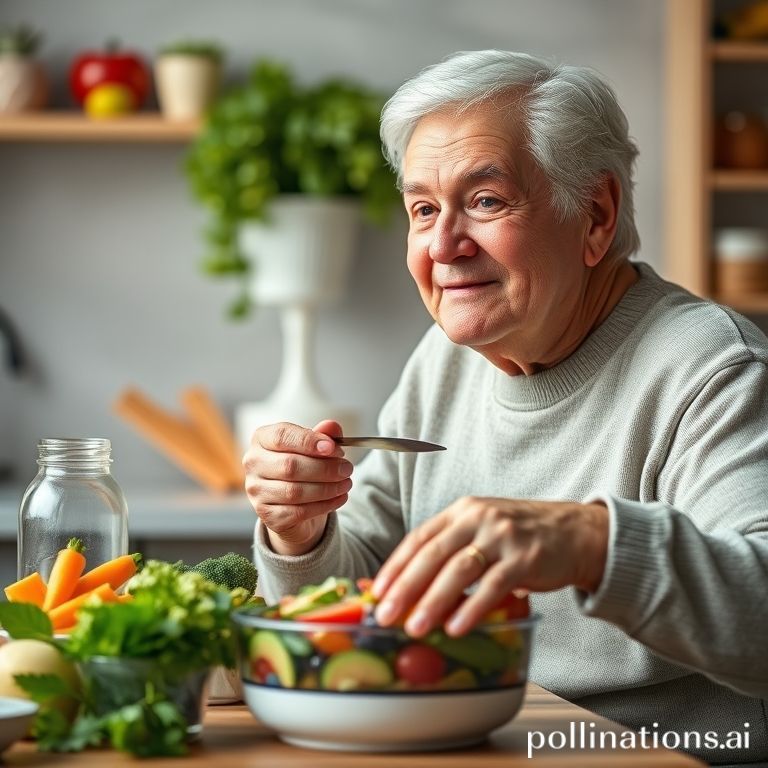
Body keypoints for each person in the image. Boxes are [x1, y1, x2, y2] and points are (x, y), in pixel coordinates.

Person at [244, 50, 768, 764]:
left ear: (595, 216)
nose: (443, 245)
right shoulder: (444, 360)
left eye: (485, 201)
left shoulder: (713, 368)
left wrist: (592, 544)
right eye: (424, 209)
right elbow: (363, 589)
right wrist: (302, 534)